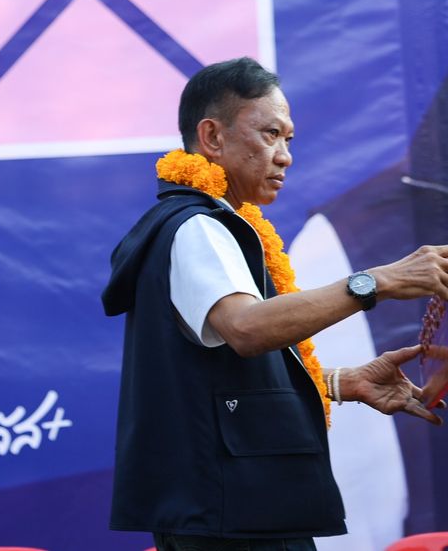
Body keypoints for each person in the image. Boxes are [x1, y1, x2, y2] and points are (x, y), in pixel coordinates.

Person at [101, 56, 448, 551]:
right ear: (212, 137)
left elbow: (222, 372)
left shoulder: (218, 226)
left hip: (240, 508)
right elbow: (246, 329)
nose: (285, 156)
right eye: (270, 135)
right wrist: (376, 282)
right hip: (231, 513)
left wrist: (338, 383)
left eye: (288, 139)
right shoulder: (196, 226)